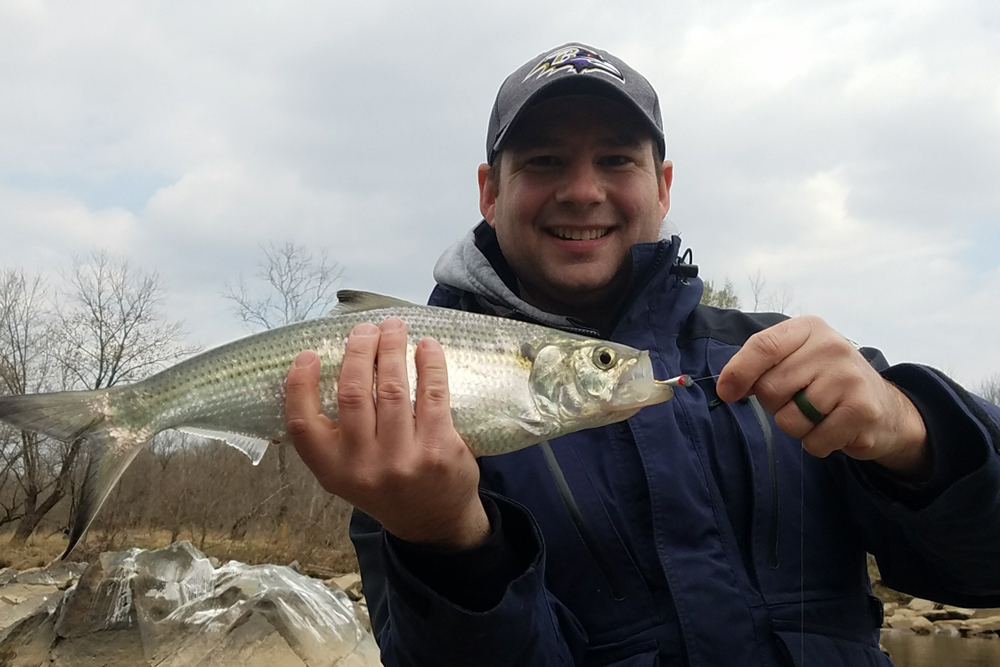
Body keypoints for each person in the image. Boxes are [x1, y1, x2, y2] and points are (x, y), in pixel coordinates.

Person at [284, 43, 1000, 666]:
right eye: (544, 161)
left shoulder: (791, 356)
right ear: (488, 191)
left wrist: (915, 434)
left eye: (617, 159)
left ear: (662, 186)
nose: (583, 190)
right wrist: (447, 543)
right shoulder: (409, 412)